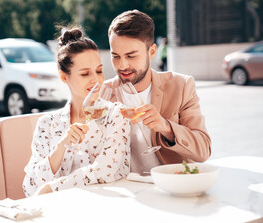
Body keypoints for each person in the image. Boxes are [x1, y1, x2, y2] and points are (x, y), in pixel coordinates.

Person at [22, 28, 130, 197]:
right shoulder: (47, 124)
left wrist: (53, 187)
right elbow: (30, 186)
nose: (96, 79)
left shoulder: (116, 115)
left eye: (99, 71)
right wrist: (61, 145)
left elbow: (104, 171)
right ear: (64, 77)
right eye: (85, 73)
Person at [105, 10, 211, 175]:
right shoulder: (102, 94)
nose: (122, 65)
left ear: (152, 51)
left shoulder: (181, 85)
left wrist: (166, 127)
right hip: (125, 188)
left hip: (171, 186)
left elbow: (203, 151)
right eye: (116, 56)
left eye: (131, 56)